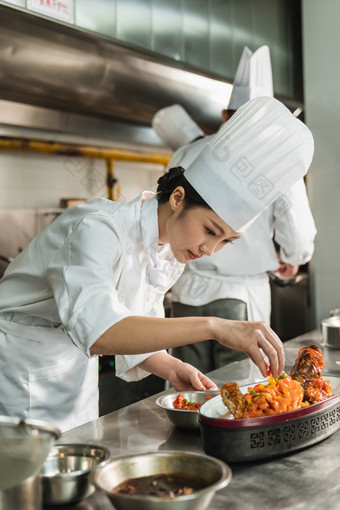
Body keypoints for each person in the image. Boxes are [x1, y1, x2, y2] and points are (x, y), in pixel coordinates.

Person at [0, 96, 313, 432]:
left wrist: (169, 366)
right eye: (210, 230)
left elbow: (130, 327)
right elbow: (101, 332)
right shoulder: (97, 228)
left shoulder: (168, 250)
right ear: (177, 198)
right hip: (17, 368)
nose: (210, 249)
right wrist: (214, 326)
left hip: (73, 373)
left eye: (226, 241)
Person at [156, 46, 316, 373]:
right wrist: (292, 259)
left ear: (225, 115)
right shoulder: (277, 159)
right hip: (242, 296)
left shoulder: (187, 151)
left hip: (187, 291)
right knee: (241, 395)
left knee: (189, 388)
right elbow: (298, 237)